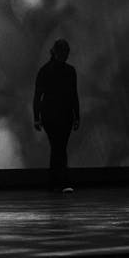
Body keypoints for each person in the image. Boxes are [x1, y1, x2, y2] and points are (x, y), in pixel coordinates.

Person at [33, 39, 80, 192]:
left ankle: (56, 182)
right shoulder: (67, 71)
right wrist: (76, 115)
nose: (65, 55)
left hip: (54, 114)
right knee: (59, 147)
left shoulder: (46, 70)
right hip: (58, 114)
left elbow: (38, 96)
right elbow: (73, 95)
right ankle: (61, 181)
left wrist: (36, 116)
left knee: (58, 147)